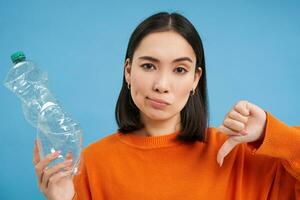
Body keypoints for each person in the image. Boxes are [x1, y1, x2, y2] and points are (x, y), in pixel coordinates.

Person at [33, 12, 300, 200]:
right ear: (128, 71)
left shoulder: (240, 157)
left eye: (180, 69)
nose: (162, 84)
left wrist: (272, 133)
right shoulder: (91, 164)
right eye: (149, 66)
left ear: (196, 78)